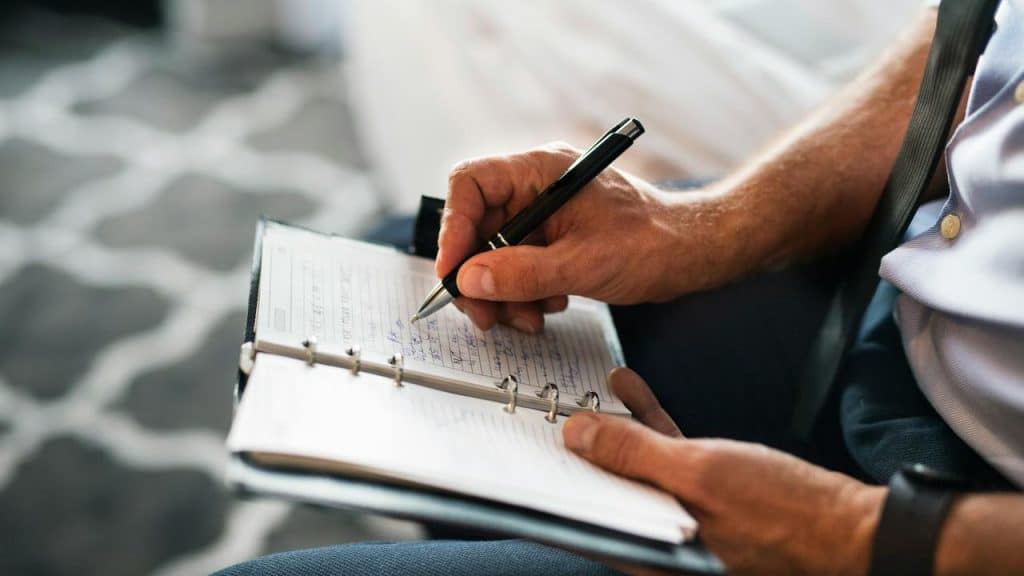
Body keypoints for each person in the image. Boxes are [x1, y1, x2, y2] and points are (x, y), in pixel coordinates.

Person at [219, 1, 1023, 574]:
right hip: (898, 319)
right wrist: (695, 226)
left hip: (950, 530)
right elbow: (977, 39)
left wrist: (845, 536)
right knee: (402, 269)